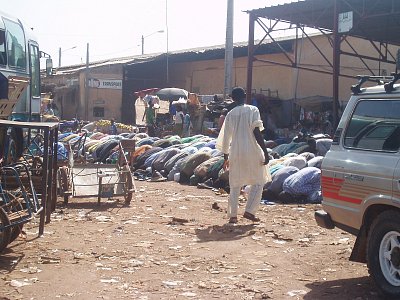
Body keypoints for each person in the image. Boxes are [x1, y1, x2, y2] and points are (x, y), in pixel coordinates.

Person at [216, 87, 270, 224]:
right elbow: (257, 132)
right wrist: (265, 151)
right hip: (252, 149)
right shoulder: (253, 110)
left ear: (232, 98)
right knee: (258, 181)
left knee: (235, 183)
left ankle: (233, 216)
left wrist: (226, 158)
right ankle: (250, 211)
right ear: (245, 96)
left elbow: (225, 138)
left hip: (236, 151)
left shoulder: (230, 114)